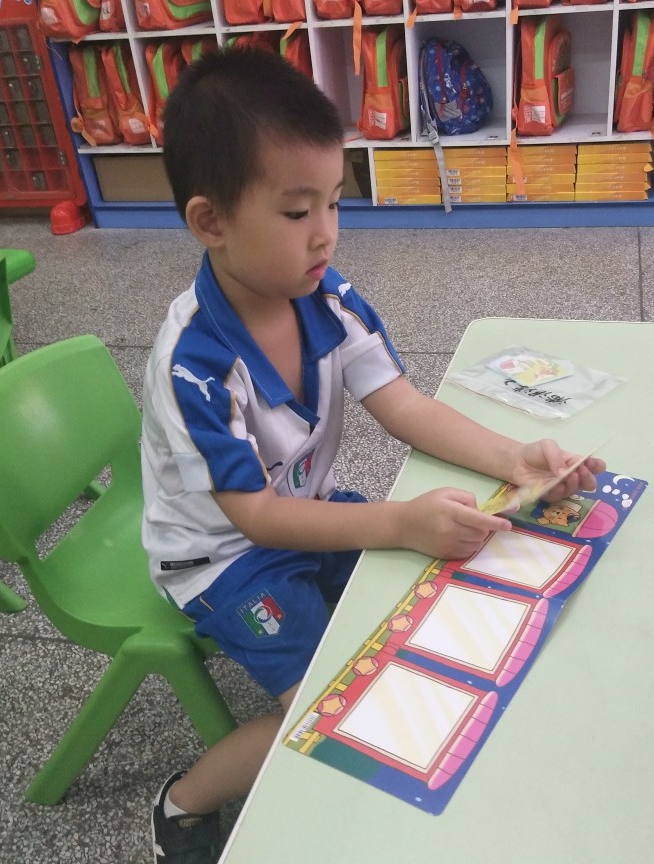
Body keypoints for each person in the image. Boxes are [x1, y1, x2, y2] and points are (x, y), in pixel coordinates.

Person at [141, 47, 604, 864]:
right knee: (328, 702)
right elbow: (254, 517)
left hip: (303, 516)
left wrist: (516, 460)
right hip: (221, 559)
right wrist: (396, 523)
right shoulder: (195, 364)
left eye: (334, 202)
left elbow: (405, 406)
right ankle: (181, 804)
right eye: (297, 212)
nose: (326, 233)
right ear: (210, 222)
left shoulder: (327, 295)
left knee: (436, 592)